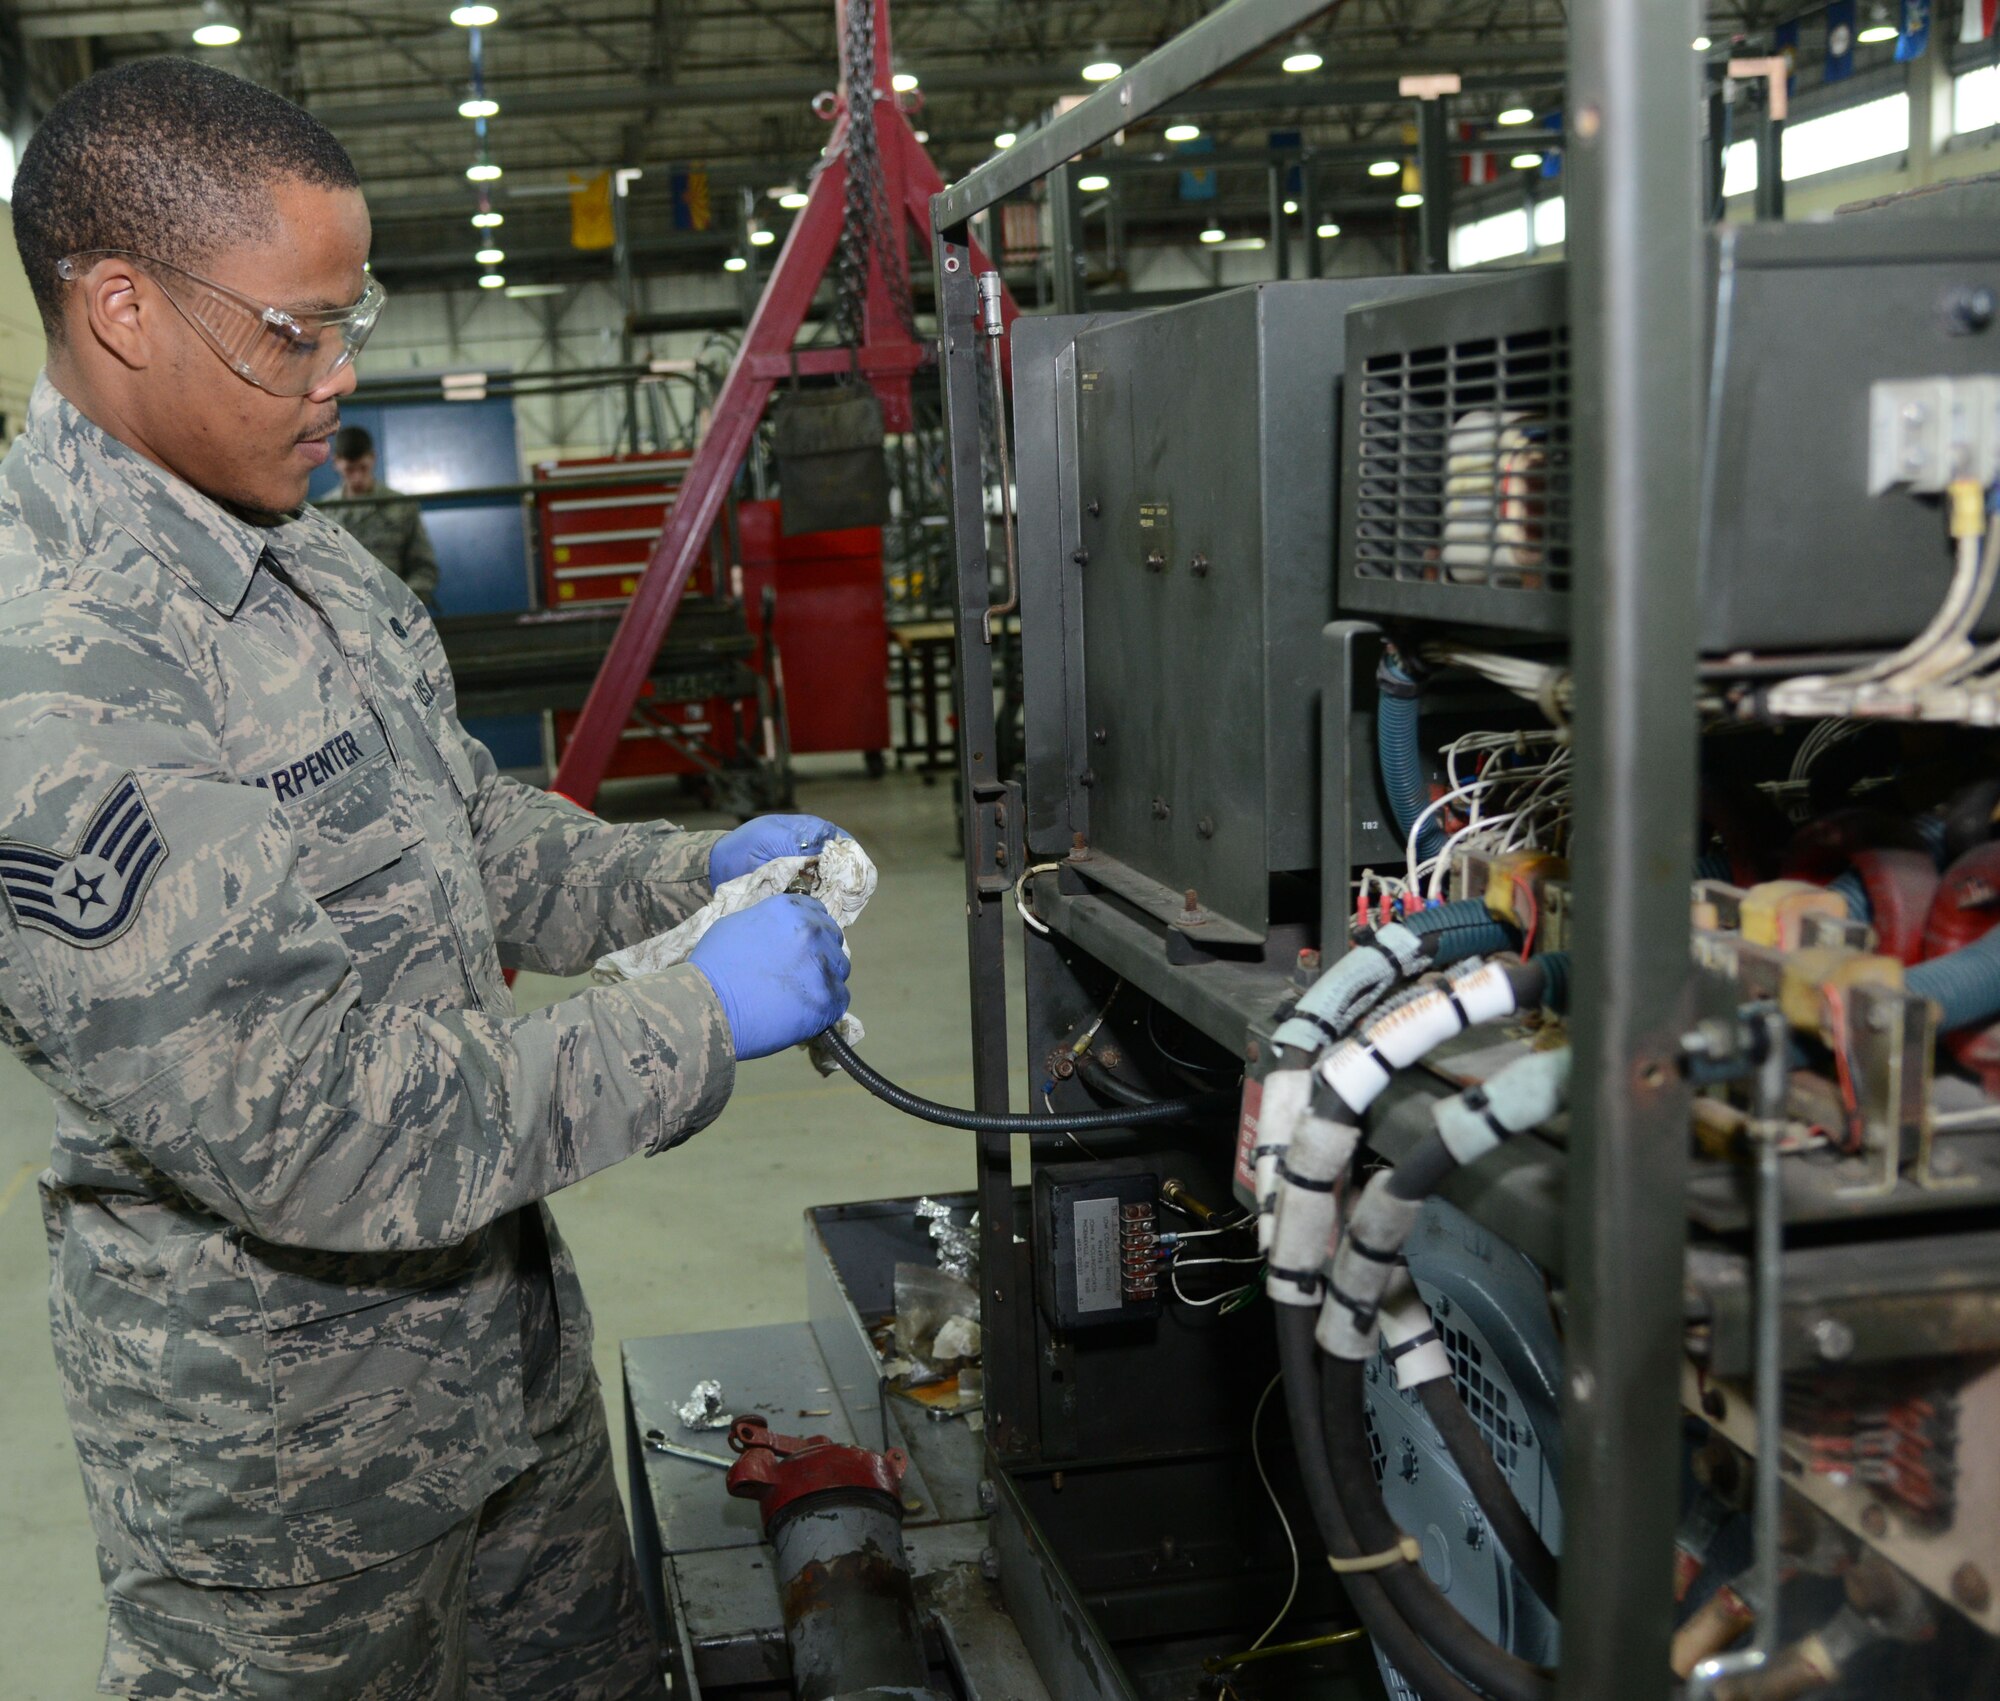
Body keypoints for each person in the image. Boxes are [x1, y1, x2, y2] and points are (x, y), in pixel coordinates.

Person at [0, 58, 853, 1701]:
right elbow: (307, 1124)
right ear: (121, 309)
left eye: (351, 316)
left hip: (498, 1355)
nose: (339, 377)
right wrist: (690, 1023)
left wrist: (684, 879)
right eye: (292, 332)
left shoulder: (297, 548)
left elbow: (464, 832)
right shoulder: (60, 673)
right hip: (285, 1479)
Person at [318, 422, 442, 607]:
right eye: (350, 470)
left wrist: (404, 603)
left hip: (397, 611)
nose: (357, 477)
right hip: (343, 614)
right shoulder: (323, 513)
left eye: (363, 468)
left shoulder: (402, 506)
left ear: (373, 458)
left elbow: (424, 567)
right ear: (336, 463)